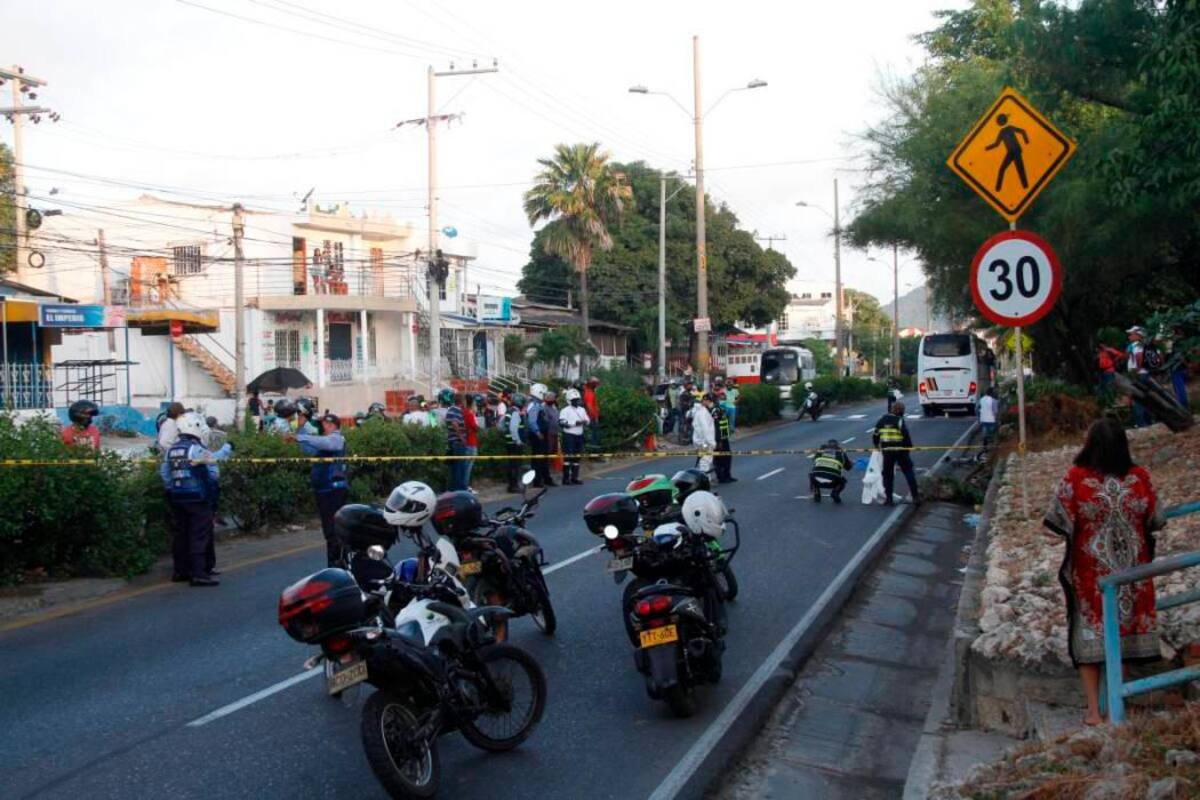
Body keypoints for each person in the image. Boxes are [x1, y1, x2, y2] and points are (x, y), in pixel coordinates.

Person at [1043, 419, 1164, 726]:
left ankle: (1093, 712)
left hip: (1091, 574)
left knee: (1089, 640)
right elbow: (1157, 519)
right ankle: (1114, 706)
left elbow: (1054, 525)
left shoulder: (1076, 479)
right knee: (1123, 636)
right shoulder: (1140, 478)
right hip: (1132, 575)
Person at [160, 412, 231, 586]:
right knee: (200, 534)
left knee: (181, 534)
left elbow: (165, 473)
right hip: (198, 497)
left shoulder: (172, 449)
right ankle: (199, 573)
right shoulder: (196, 449)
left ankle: (180, 571)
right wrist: (228, 448)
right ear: (196, 428)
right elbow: (213, 468)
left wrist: (172, 488)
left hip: (177, 497)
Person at [296, 412, 349, 567]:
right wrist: (300, 429)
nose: (322, 426)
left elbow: (330, 444)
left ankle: (339, 566)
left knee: (334, 531)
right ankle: (335, 565)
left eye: (325, 424)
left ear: (332, 425)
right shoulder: (322, 442)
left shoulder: (337, 438)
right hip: (323, 491)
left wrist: (300, 437)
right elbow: (307, 449)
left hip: (334, 491)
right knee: (329, 531)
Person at [873, 400, 921, 506]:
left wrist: (877, 446)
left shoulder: (881, 420)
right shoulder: (899, 420)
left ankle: (889, 499)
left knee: (888, 475)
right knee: (908, 472)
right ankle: (916, 497)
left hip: (887, 452)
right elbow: (905, 435)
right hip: (900, 451)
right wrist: (908, 448)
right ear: (901, 411)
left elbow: (876, 434)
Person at [526, 383, 553, 487]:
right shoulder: (533, 405)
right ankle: (537, 481)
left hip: (542, 434)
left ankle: (545, 478)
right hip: (537, 435)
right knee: (537, 459)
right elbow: (532, 421)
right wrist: (538, 432)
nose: (545, 396)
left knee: (544, 458)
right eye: (544, 393)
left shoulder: (538, 405)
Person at [560, 388, 589, 485]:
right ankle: (565, 478)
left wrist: (585, 422)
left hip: (579, 435)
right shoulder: (565, 410)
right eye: (574, 400)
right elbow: (562, 422)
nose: (576, 402)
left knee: (577, 457)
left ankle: (574, 478)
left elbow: (587, 420)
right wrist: (574, 423)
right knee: (568, 458)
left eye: (577, 400)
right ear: (569, 400)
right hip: (569, 435)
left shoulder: (582, 410)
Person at [810, 438, 852, 503]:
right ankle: (835, 492)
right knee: (843, 481)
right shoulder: (841, 453)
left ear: (827, 445)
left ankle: (816, 493)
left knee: (812, 475)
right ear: (838, 446)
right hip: (832, 481)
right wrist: (851, 463)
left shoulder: (820, 451)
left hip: (816, 480)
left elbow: (814, 460)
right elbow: (848, 468)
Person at [1126, 326, 1151, 427]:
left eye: (1131, 334)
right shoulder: (1144, 344)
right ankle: (1147, 421)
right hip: (1144, 373)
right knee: (1145, 397)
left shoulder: (1136, 345)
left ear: (1138, 335)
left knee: (1138, 399)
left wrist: (1137, 370)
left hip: (1139, 374)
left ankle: (1141, 423)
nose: (1129, 336)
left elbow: (1139, 357)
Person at [443, 390, 468, 491]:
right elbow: (454, 424)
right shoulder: (454, 410)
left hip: (455, 441)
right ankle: (459, 489)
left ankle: (455, 487)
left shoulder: (453, 410)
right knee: (459, 467)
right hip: (457, 442)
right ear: (461, 401)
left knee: (456, 466)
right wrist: (462, 438)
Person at [505, 393, 529, 493]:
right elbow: (513, 428)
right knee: (515, 465)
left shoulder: (510, 411)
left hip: (509, 442)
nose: (524, 404)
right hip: (514, 443)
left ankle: (512, 485)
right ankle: (513, 486)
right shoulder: (515, 412)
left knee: (512, 464)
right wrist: (518, 441)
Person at [710, 393, 737, 483]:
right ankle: (721, 477)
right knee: (719, 459)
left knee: (727, 457)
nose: (722, 400)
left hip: (724, 437)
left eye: (723, 398)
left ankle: (727, 476)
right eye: (720, 399)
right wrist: (719, 440)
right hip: (719, 439)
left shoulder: (720, 409)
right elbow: (716, 426)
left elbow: (724, 423)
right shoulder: (715, 411)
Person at [691, 391, 717, 479]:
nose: (711, 402)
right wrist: (711, 442)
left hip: (700, 441)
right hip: (704, 442)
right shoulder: (702, 413)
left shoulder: (698, 411)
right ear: (703, 401)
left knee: (703, 462)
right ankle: (705, 481)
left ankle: (704, 480)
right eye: (709, 401)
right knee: (705, 462)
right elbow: (706, 429)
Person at [543, 389, 561, 486]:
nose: (553, 399)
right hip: (549, 434)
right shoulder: (544, 408)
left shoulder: (554, 407)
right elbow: (546, 421)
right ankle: (546, 475)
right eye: (551, 398)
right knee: (548, 454)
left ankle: (551, 473)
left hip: (555, 433)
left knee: (553, 454)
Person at [462, 394, 480, 492]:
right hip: (471, 443)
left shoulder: (464, 412)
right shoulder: (469, 414)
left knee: (466, 466)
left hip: (467, 442)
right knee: (468, 467)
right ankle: (465, 487)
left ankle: (464, 486)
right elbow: (475, 427)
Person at [583, 377, 601, 448]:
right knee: (594, 436)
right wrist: (595, 417)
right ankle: (593, 451)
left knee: (593, 435)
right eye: (595, 384)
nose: (596, 386)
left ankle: (592, 450)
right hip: (591, 418)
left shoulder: (589, 391)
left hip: (590, 417)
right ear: (592, 384)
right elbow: (589, 406)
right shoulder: (589, 392)